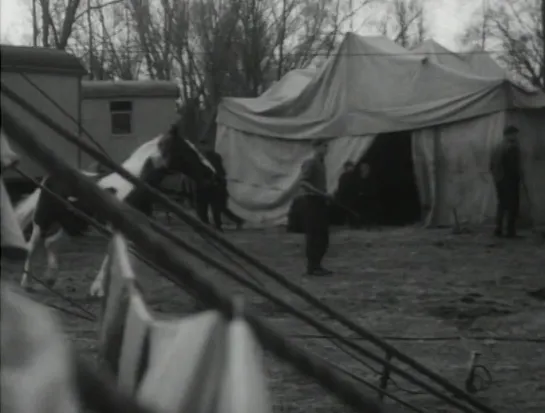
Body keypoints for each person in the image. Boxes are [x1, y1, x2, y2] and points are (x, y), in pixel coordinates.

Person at [298, 140, 332, 276]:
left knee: (323, 235)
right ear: (316, 147)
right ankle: (312, 266)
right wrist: (320, 193)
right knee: (314, 234)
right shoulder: (310, 163)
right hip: (312, 201)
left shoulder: (322, 164)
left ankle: (318, 264)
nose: (326, 149)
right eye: (324, 146)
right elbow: (303, 182)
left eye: (326, 146)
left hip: (320, 201)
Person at [195, 149, 244, 231]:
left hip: (214, 186)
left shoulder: (209, 158)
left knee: (215, 207)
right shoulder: (209, 158)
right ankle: (211, 224)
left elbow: (219, 173)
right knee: (214, 207)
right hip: (208, 186)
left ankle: (214, 225)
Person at [489, 125, 523, 238]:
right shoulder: (511, 147)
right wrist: (518, 177)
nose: (516, 136)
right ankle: (510, 232)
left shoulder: (496, 147)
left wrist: (497, 177)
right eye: (514, 134)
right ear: (509, 135)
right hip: (510, 180)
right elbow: (512, 166)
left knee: (502, 204)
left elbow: (491, 165)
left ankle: (498, 229)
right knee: (512, 205)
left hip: (499, 180)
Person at [335, 161, 359, 227]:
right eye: (350, 166)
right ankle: (348, 223)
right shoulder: (344, 176)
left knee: (351, 211)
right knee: (348, 211)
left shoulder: (353, 176)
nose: (352, 168)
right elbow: (342, 187)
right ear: (346, 167)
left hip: (351, 196)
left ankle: (353, 223)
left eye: (352, 166)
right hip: (346, 196)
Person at [354, 162, 379, 227]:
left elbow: (373, 189)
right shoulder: (358, 178)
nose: (363, 169)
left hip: (369, 198)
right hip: (360, 198)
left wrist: (365, 193)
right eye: (362, 168)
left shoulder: (371, 178)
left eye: (365, 168)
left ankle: (369, 222)